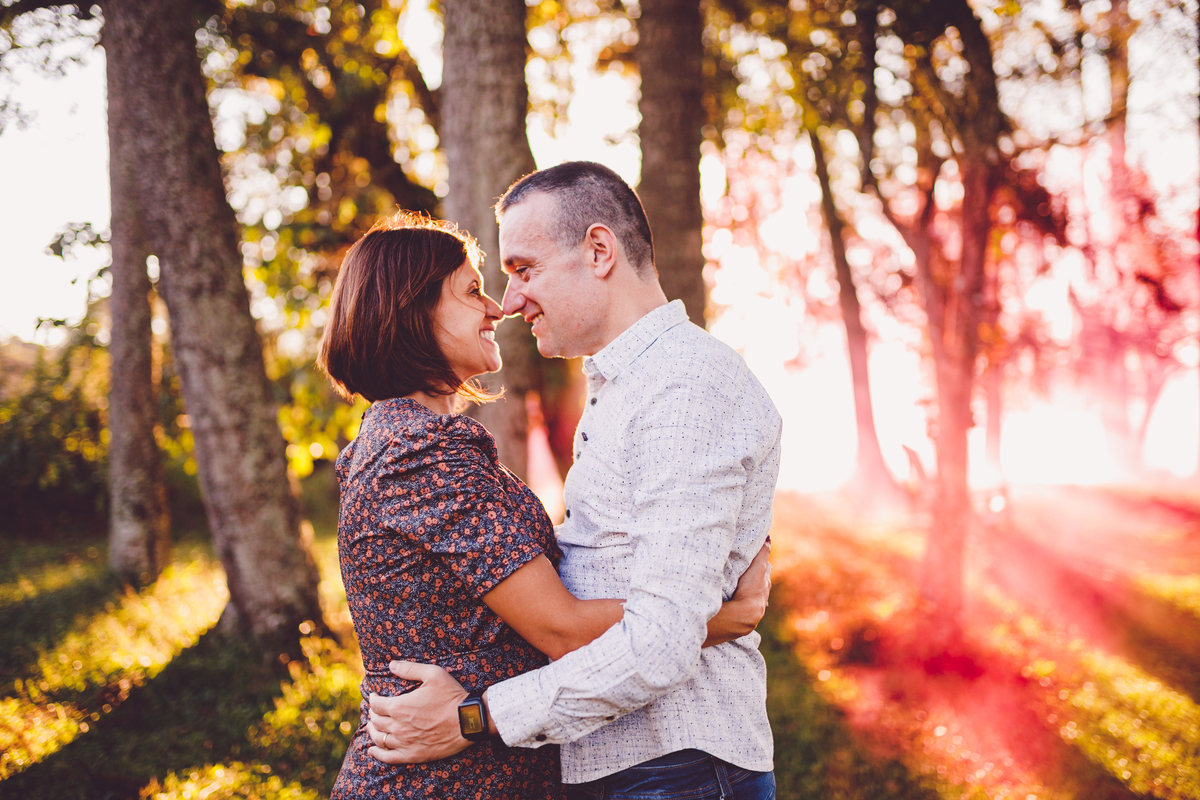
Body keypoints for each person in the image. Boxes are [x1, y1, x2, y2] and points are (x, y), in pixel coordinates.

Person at [317, 211, 772, 800]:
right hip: (444, 781)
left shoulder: (401, 443)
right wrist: (712, 618)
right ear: (413, 314)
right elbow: (561, 627)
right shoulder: (422, 455)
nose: (496, 307)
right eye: (472, 291)